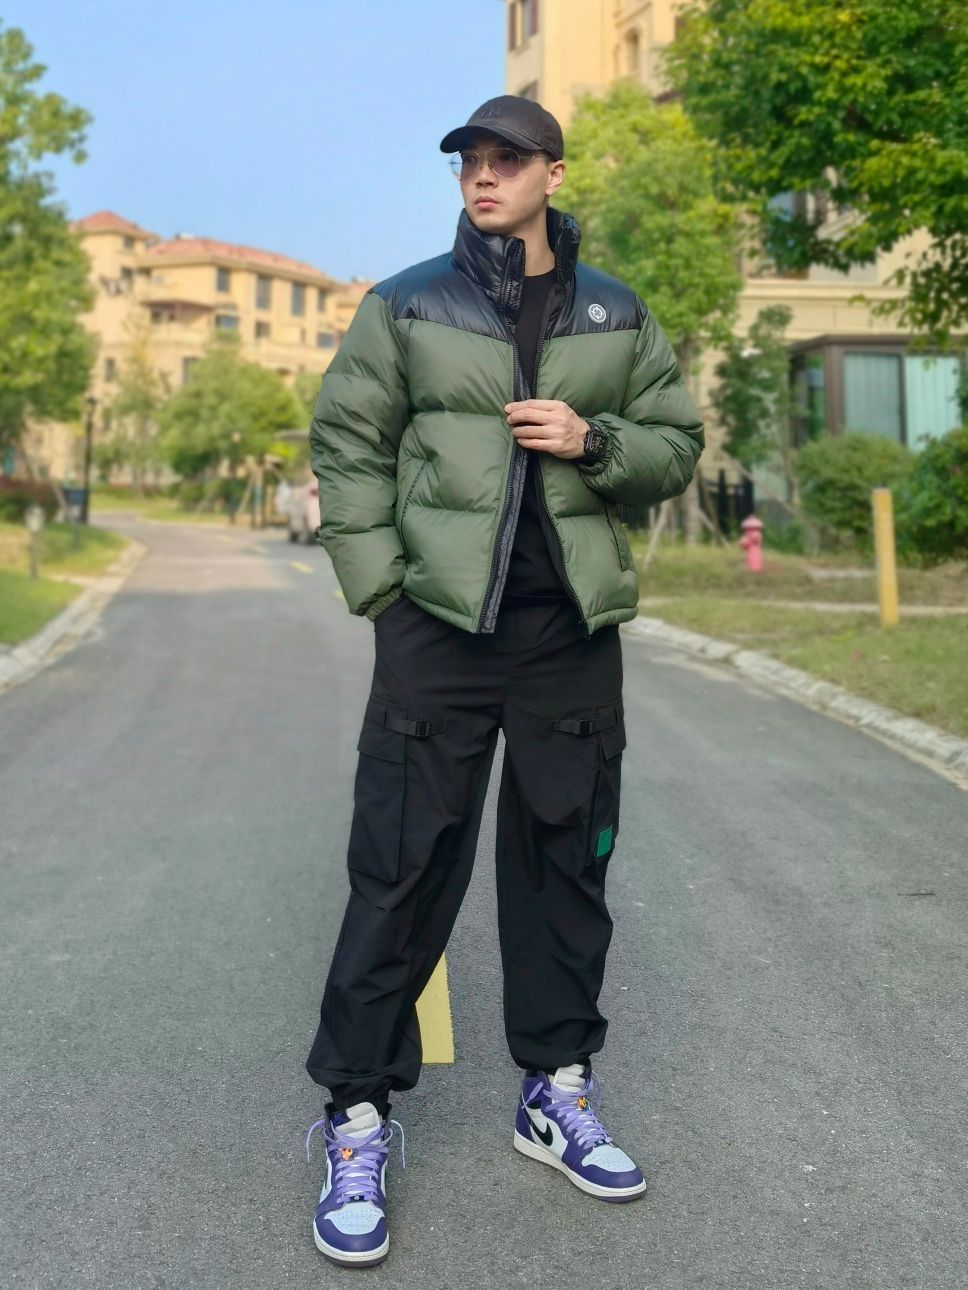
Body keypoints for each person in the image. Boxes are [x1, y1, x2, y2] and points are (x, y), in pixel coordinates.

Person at [302, 94, 704, 1267]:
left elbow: (675, 445)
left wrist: (594, 442)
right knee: (399, 866)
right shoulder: (406, 304)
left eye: (507, 160)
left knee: (564, 864)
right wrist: (382, 591)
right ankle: (357, 1115)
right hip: (436, 629)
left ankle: (555, 1088)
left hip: (565, 632)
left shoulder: (615, 312)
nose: (483, 176)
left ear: (551, 174)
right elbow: (346, 443)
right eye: (470, 161)